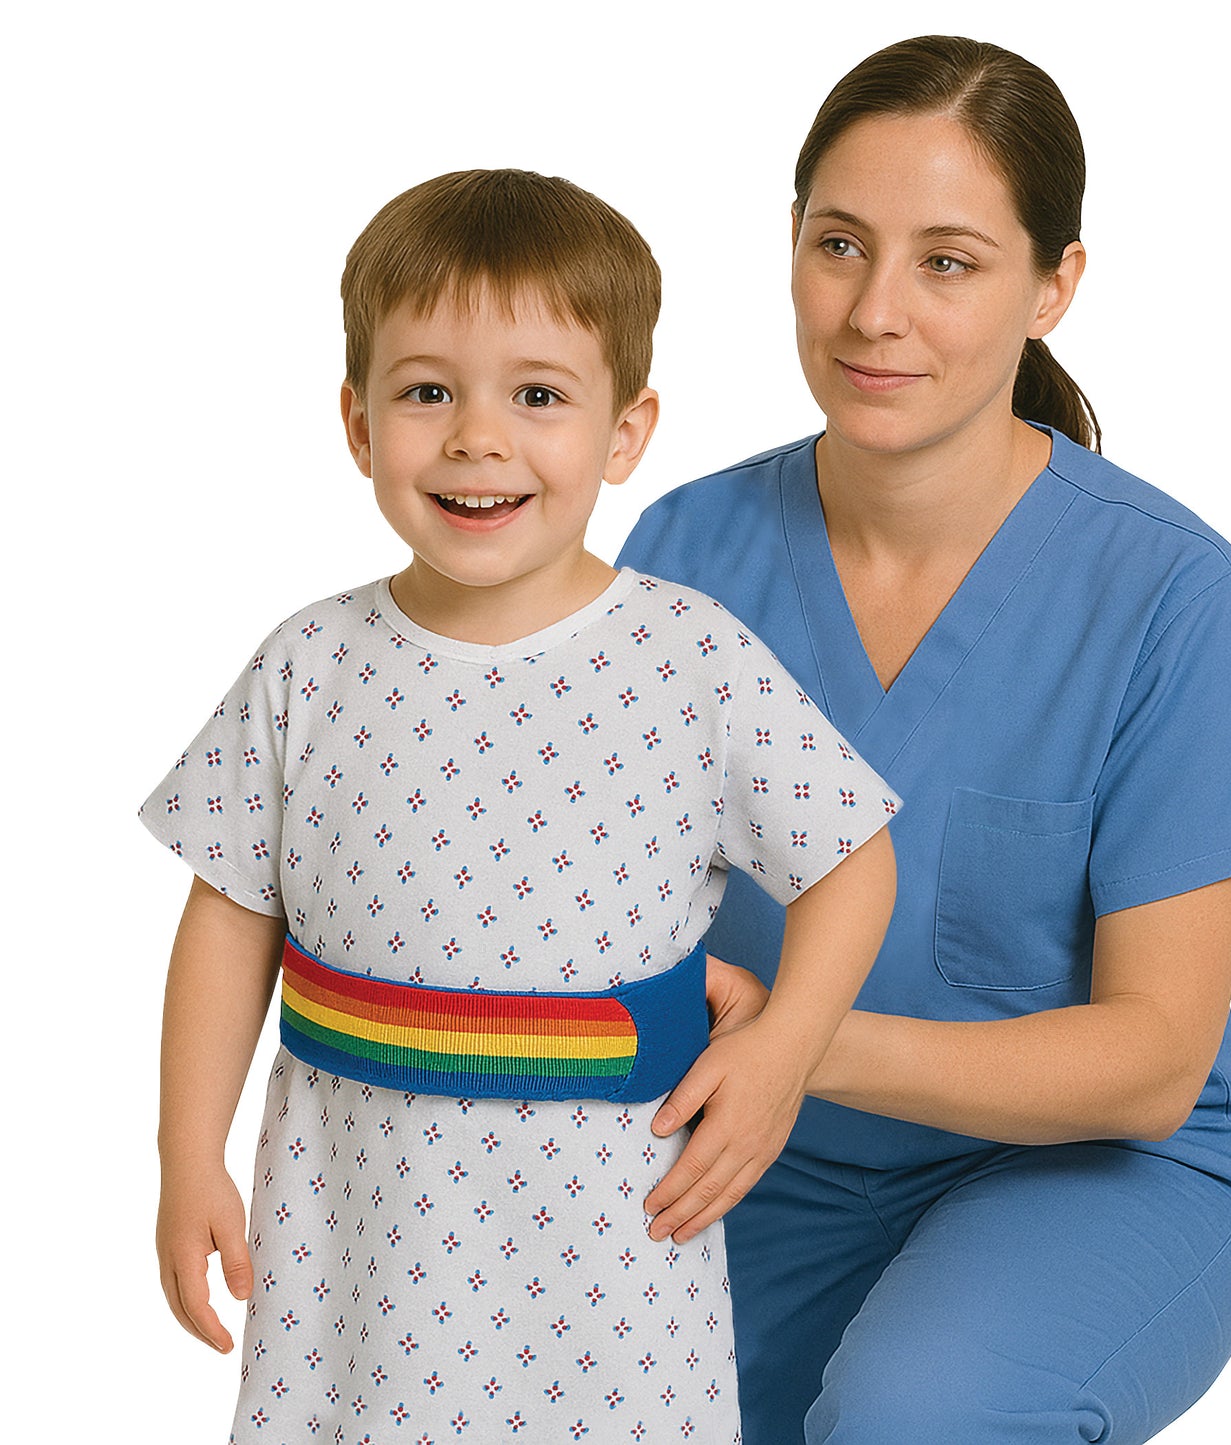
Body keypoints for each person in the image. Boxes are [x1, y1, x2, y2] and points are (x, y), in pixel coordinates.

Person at [619, 34, 1231, 1445]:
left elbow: (1148, 1058)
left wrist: (800, 1045)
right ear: (789, 246)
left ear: (1052, 286)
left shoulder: (1172, 598)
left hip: (1099, 1172)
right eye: (840, 244)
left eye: (946, 261)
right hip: (763, 1157)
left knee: (914, 1416)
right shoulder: (681, 553)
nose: (874, 309)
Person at [141, 167, 898, 1444]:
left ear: (625, 432)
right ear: (356, 420)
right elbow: (228, 918)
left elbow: (849, 857)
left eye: (536, 395)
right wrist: (185, 1154)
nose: (476, 437)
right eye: (427, 390)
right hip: (355, 1213)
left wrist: (782, 1053)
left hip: (606, 1226)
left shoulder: (688, 656)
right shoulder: (307, 662)